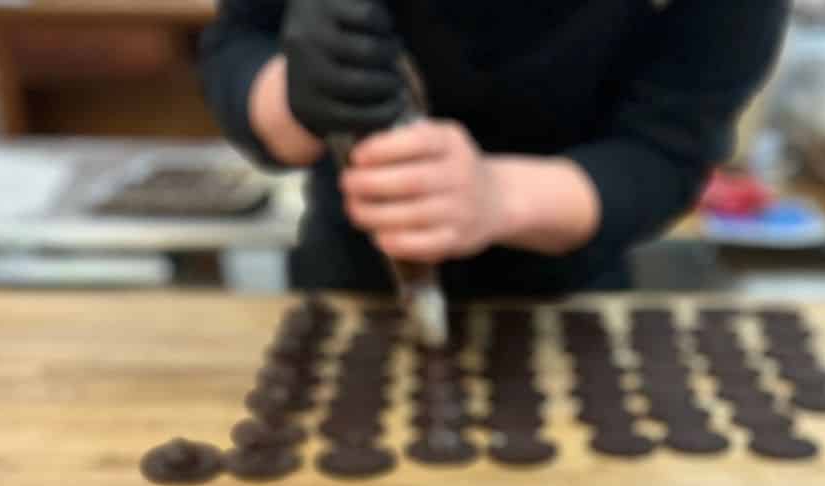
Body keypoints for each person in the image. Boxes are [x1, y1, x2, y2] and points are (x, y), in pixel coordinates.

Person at [200, 1, 789, 295]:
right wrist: (294, 93)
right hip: (350, 281)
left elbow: (668, 151)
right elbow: (235, 43)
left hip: (569, 298)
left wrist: (498, 198)